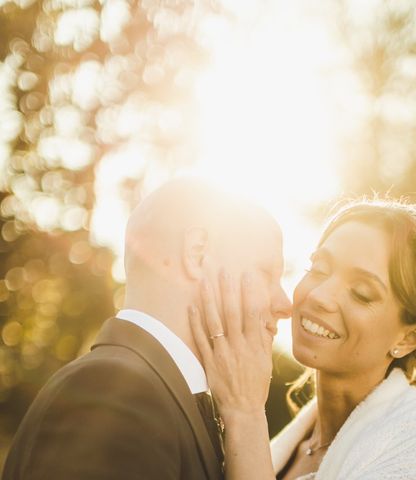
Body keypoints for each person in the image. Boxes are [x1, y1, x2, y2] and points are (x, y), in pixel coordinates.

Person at [190, 198, 416, 479]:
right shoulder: (293, 440)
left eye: (361, 292)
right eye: (319, 269)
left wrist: (245, 413)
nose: (320, 296)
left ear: (409, 337)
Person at [2, 179, 292, 480]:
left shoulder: (159, 395)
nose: (286, 304)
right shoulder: (112, 394)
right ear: (197, 253)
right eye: (267, 273)